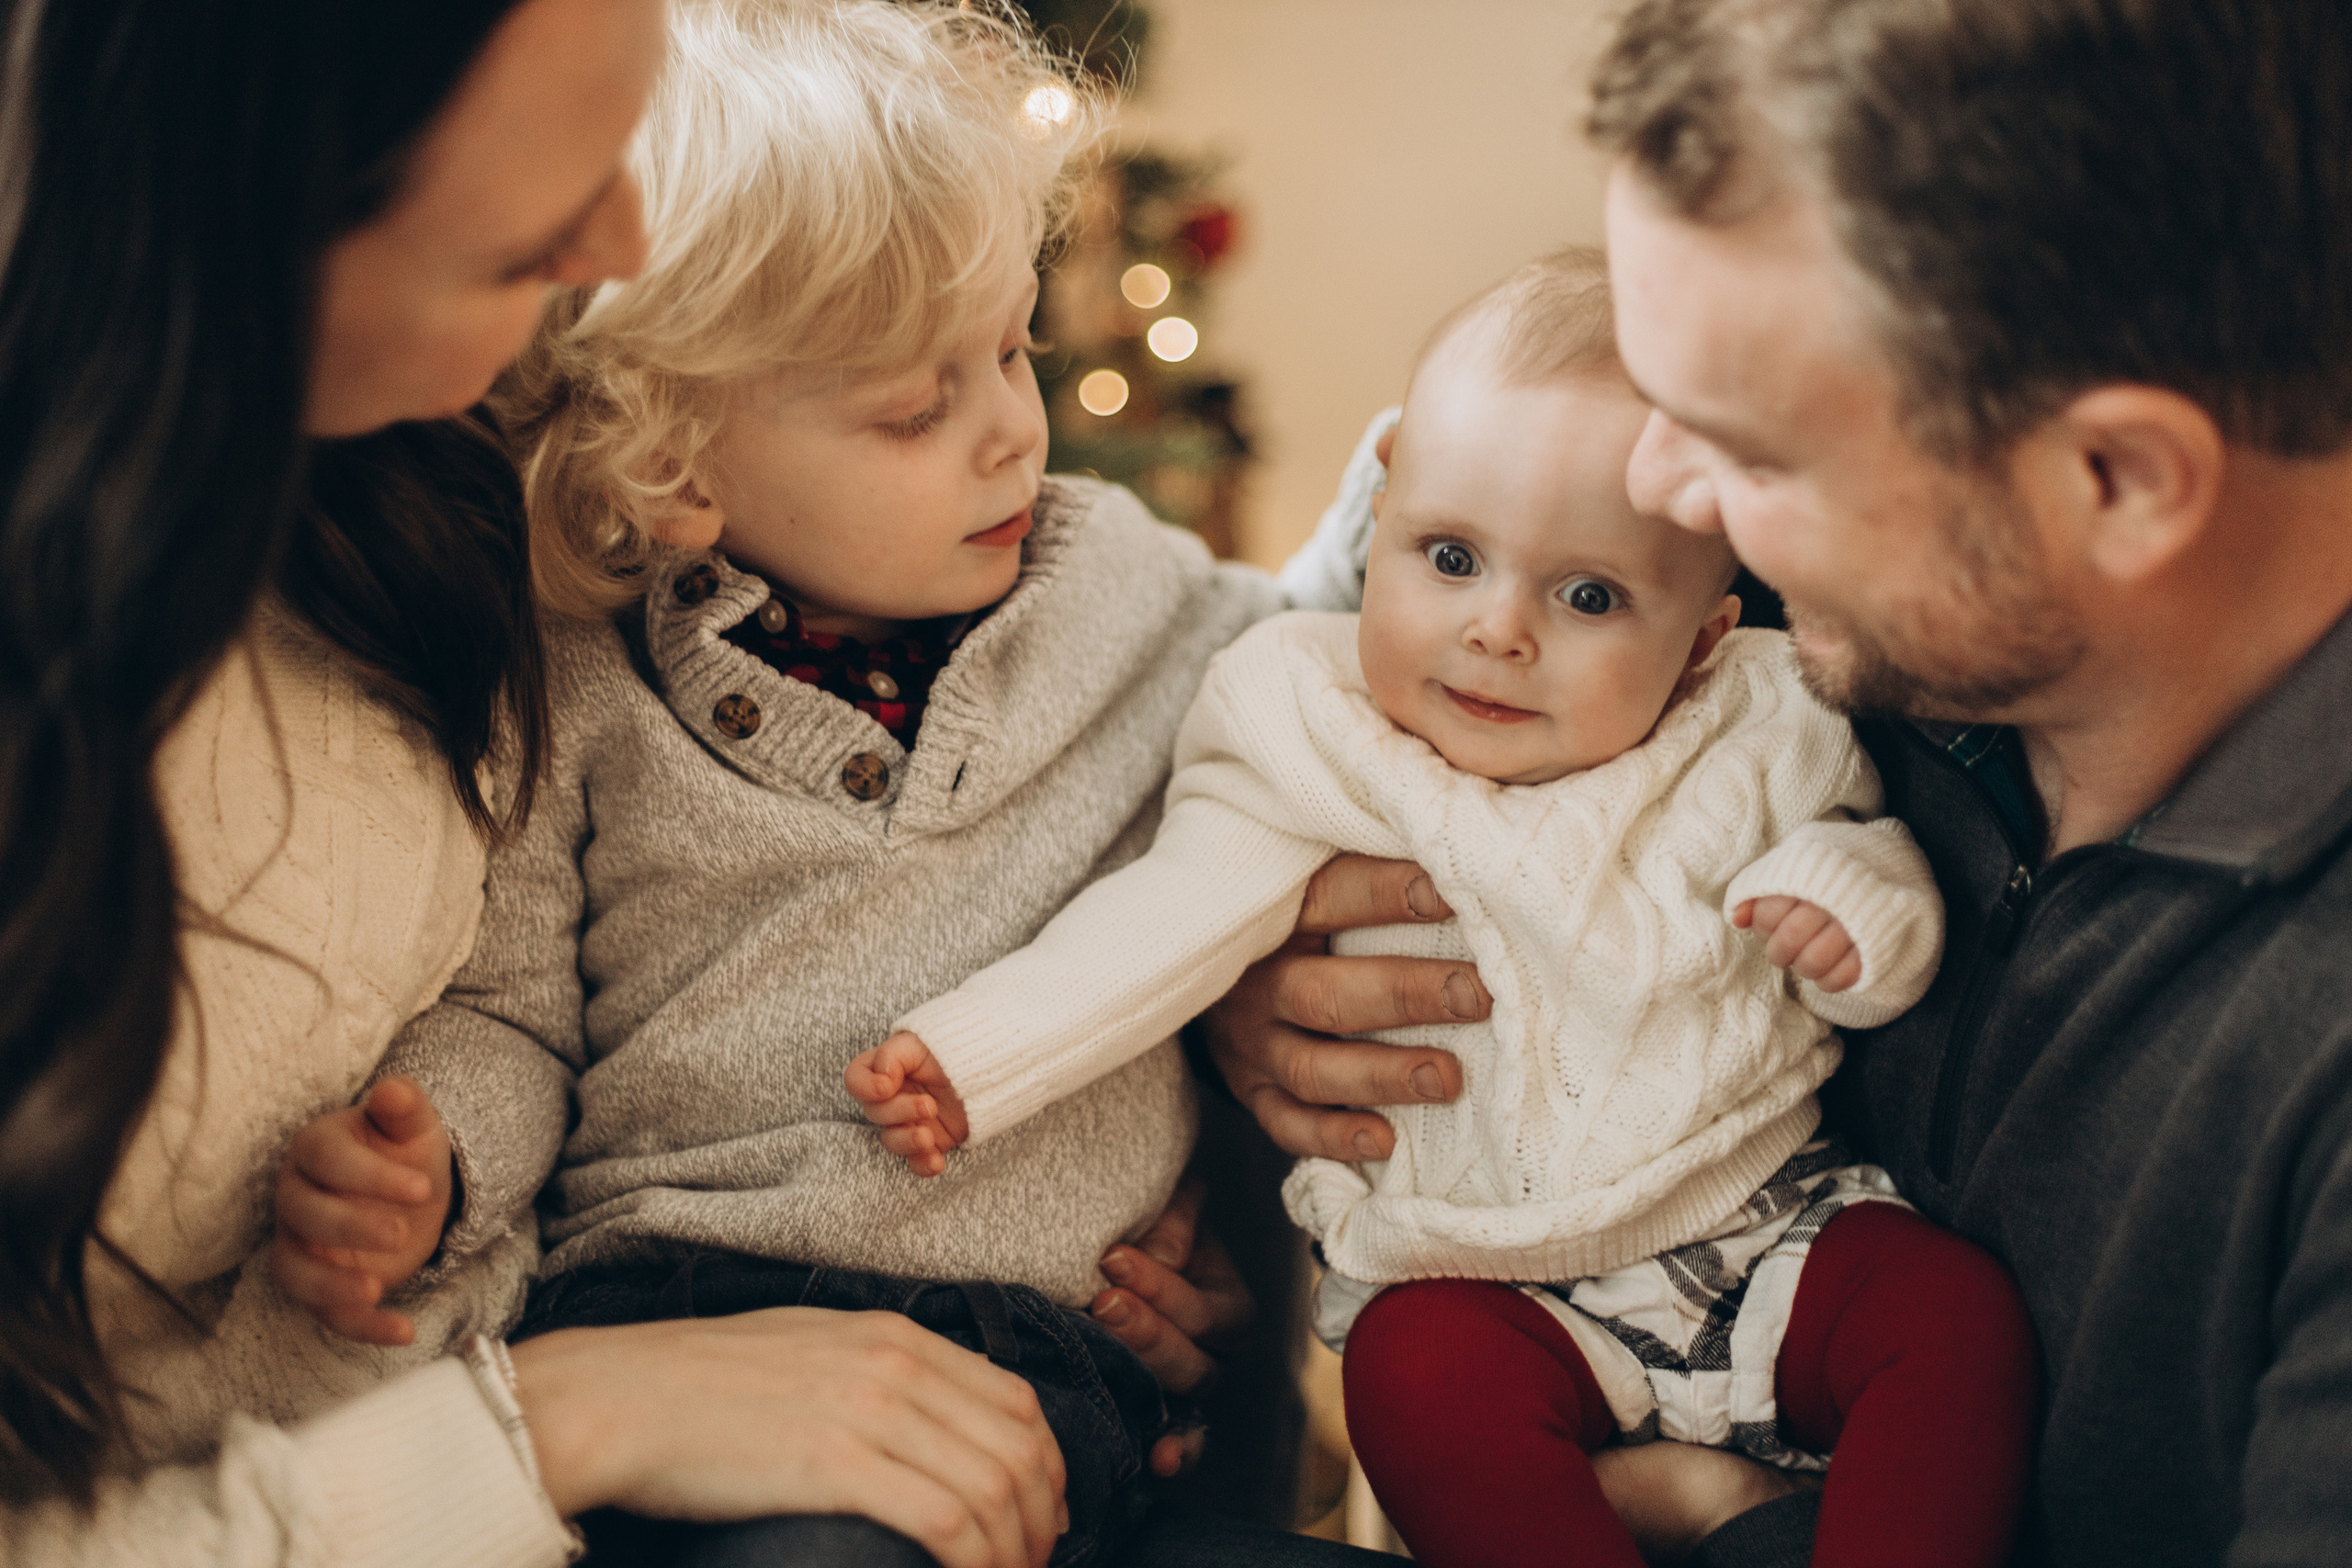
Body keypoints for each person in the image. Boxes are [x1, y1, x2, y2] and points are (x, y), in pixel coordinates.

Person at [0, 2, 1314, 1564]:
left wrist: (1250, 972)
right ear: (676, 469)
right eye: (913, 407)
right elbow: (512, 1019)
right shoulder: (582, 674)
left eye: (1018, 351)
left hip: (1043, 1366)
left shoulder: (1133, 596)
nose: (1014, 437)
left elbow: (1360, 635)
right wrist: (440, 1168)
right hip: (650, 1319)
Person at [1216, 1, 2352, 1565]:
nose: (1663, 492)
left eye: (1748, 449)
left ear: (2116, 481)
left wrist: (1733, 1526)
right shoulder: (1871, 627)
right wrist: (1269, 987)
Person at [853, 249, 2034, 1568]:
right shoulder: (1309, 721)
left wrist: (1849, 923)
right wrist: (976, 1057)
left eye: (1589, 596)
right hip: (1480, 1282)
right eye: (1452, 557)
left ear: (1705, 636)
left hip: (1764, 1225)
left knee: (1952, 1319)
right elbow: (1168, 918)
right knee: (1410, 1378)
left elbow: (1872, 869)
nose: (1499, 631)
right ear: (1384, 508)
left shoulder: (1756, 721)